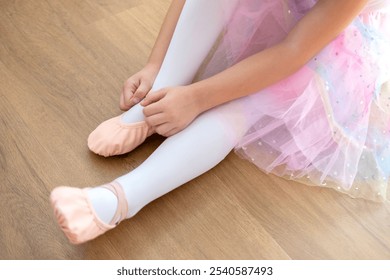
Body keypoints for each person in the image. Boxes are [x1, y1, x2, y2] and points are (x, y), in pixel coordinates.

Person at [50, 0, 390, 244]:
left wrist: (197, 98)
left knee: (243, 109)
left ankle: (118, 200)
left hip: (322, 52)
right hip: (282, 15)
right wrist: (155, 66)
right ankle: (156, 98)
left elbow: (293, 51)